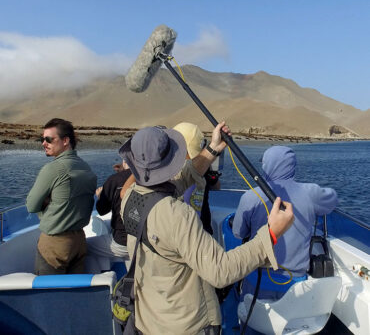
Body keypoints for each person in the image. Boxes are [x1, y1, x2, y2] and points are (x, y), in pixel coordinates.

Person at [119, 122, 294, 335]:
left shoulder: (130, 197)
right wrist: (271, 234)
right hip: (186, 325)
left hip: (149, 318)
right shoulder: (177, 215)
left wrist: (212, 149)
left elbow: (179, 178)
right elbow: (220, 271)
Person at [232, 145, 338, 300]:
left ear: (267, 167)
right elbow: (333, 199)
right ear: (292, 167)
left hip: (258, 279)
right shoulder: (310, 193)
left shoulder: (250, 196)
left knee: (253, 318)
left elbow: (238, 232)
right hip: (295, 284)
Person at [26, 118, 97, 275]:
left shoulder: (53, 168)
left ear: (65, 141)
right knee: (73, 293)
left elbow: (31, 205)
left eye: (49, 139)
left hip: (55, 244)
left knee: (48, 294)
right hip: (79, 241)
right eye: (42, 139)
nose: (43, 143)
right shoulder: (85, 166)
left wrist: (45, 211)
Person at [86, 160, 134, 273]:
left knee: (84, 247)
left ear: (125, 160)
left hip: (123, 242)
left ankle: (100, 282)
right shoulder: (153, 178)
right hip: (146, 241)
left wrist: (100, 196)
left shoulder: (115, 180)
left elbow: (102, 210)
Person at [173, 122, 220, 235]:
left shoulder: (167, 170)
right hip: (195, 231)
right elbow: (217, 186)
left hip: (195, 231)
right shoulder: (203, 167)